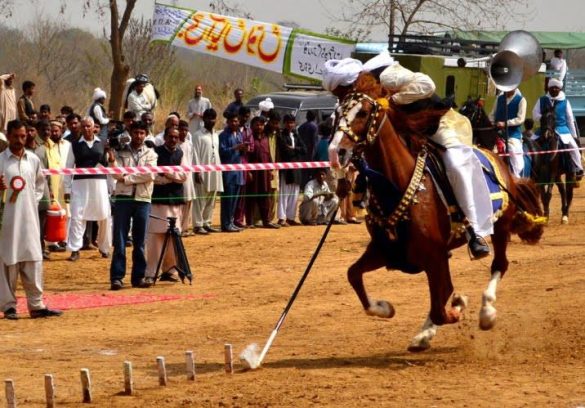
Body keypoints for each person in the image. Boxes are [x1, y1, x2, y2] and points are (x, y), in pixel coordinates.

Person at [379, 63, 493, 259]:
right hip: (415, 139)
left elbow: (428, 86)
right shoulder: (391, 98)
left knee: (456, 165)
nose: (389, 93)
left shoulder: (420, 82)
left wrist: (393, 99)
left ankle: (474, 231)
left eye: (392, 89)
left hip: (443, 130)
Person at [0, 119, 62, 320]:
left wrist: (30, 203)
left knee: (33, 259)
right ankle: (8, 306)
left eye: (22, 136)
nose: (19, 140)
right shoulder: (1, 161)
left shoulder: (33, 160)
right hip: (7, 221)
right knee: (7, 262)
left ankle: (36, 305)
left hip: (30, 220)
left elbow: (39, 185)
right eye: (15, 136)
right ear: (8, 136)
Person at [109, 121, 158, 290]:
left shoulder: (151, 153)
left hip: (143, 199)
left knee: (140, 240)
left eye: (142, 133)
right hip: (123, 198)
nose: (138, 136)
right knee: (120, 239)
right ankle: (117, 277)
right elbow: (115, 173)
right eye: (136, 132)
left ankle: (138, 277)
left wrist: (127, 178)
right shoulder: (120, 151)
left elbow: (149, 175)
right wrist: (113, 162)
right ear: (130, 133)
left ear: (146, 134)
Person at [64, 117, 112, 262]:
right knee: (77, 216)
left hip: (100, 184)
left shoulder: (102, 143)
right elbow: (68, 167)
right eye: (83, 126)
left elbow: (108, 165)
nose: (86, 129)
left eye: (89, 126)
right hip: (80, 185)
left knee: (104, 215)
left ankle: (105, 248)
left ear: (94, 127)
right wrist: (67, 188)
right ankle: (75, 249)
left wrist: (112, 186)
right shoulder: (74, 145)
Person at [144, 127, 186, 285]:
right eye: (170, 136)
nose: (173, 140)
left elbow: (183, 175)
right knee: (156, 238)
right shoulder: (155, 153)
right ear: (165, 137)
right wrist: (167, 178)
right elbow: (153, 175)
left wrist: (167, 174)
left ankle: (170, 271)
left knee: (173, 237)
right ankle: (151, 273)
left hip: (175, 201)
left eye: (176, 137)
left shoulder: (181, 153)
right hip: (158, 201)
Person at [532, 78, 584, 178]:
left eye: (556, 87)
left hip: (562, 129)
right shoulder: (541, 100)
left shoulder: (565, 102)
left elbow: (570, 119)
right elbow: (535, 115)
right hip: (544, 128)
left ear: (560, 89)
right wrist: (544, 118)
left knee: (573, 147)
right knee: (529, 143)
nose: (554, 89)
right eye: (552, 87)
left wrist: (574, 135)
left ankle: (578, 168)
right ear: (549, 88)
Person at [192, 108, 223, 235]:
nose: (211, 121)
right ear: (203, 119)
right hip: (202, 171)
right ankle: (198, 224)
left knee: (212, 197)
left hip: (215, 170)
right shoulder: (197, 135)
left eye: (213, 118)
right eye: (208, 118)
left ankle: (207, 222)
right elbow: (195, 154)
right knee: (200, 198)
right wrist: (197, 171)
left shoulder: (216, 135)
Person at [246, 116, 280, 229]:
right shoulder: (250, 138)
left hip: (264, 173)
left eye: (261, 125)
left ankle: (266, 221)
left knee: (265, 197)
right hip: (253, 173)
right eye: (257, 125)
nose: (259, 127)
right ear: (252, 126)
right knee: (251, 197)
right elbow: (246, 156)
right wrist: (248, 171)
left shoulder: (266, 138)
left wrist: (271, 170)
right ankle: (250, 222)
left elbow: (268, 155)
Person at [27, 121, 52, 260]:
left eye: (32, 130)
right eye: (27, 131)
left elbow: (47, 169)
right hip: (27, 189)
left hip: (44, 190)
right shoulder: (22, 150)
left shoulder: (42, 148)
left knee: (42, 221)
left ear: (36, 132)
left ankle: (41, 248)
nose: (30, 133)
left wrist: (51, 188)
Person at [489, 87, 527, 177]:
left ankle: (516, 176)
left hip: (512, 135)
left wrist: (505, 123)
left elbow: (520, 119)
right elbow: (492, 114)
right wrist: (491, 122)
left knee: (514, 154)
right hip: (496, 133)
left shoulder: (521, 100)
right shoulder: (499, 99)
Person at [277, 114, 306, 226]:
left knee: (295, 194)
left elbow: (304, 149)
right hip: (286, 169)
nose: (290, 125)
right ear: (284, 123)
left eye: (292, 123)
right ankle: (282, 218)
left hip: (296, 168)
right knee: (284, 193)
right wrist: (295, 150)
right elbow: (285, 150)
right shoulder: (281, 135)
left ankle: (291, 217)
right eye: (288, 122)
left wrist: (294, 149)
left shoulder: (296, 135)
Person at [219, 112, 245, 232]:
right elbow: (222, 151)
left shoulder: (239, 134)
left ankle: (231, 221)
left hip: (238, 172)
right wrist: (234, 148)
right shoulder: (223, 135)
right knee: (227, 200)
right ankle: (225, 224)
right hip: (228, 173)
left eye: (236, 121)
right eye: (232, 121)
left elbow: (241, 152)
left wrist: (244, 149)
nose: (235, 123)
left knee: (235, 200)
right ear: (228, 122)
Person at [234, 106, 253, 228]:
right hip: (233, 165)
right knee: (233, 194)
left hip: (244, 165)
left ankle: (239, 220)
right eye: (244, 116)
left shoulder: (248, 131)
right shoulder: (233, 130)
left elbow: (251, 147)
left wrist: (246, 148)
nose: (245, 119)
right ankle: (231, 219)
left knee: (242, 195)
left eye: (247, 117)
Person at [178, 120, 197, 235]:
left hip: (189, 177)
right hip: (178, 177)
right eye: (181, 130)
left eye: (186, 130)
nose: (184, 132)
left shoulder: (189, 144)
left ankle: (185, 227)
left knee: (188, 202)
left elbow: (192, 160)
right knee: (180, 203)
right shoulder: (175, 144)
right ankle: (178, 227)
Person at [298, 110, 319, 190]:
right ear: (314, 117)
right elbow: (314, 142)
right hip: (311, 153)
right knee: (311, 172)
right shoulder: (314, 127)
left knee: (303, 171)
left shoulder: (301, 127)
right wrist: (314, 154)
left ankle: (303, 187)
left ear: (306, 116)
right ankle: (309, 188)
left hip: (302, 153)